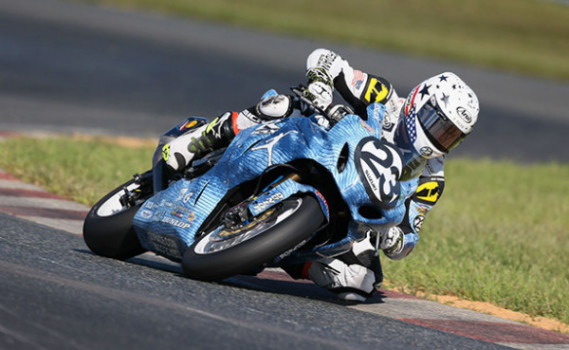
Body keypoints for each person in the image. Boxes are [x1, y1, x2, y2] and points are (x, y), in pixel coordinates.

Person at [161, 48, 480, 301]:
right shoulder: (383, 96)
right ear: (421, 100)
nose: (440, 138)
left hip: (347, 209)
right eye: (439, 124)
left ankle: (280, 250)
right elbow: (326, 59)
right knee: (282, 105)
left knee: (359, 282)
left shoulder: (431, 179)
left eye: (451, 135)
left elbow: (411, 234)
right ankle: (207, 137)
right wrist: (320, 83)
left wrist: (396, 238)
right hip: (314, 143)